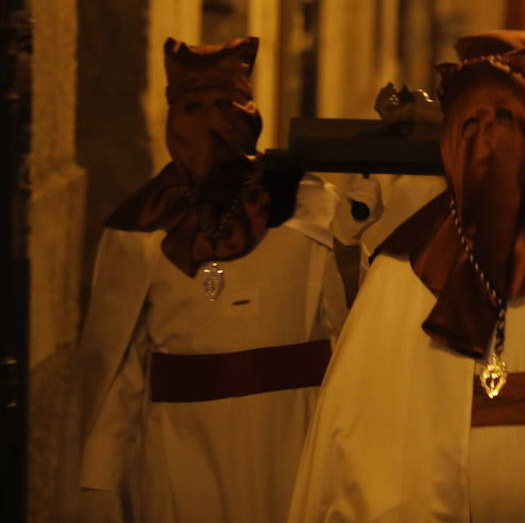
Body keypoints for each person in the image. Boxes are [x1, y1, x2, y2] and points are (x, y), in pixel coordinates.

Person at [289, 48, 525, 521]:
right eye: (471, 127)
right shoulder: (405, 267)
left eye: (506, 123)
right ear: (449, 146)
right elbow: (366, 432)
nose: (490, 142)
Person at [75, 38, 377, 523]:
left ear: (250, 113)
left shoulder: (311, 207)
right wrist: (98, 479)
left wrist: (347, 242)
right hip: (178, 448)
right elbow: (122, 366)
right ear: (172, 118)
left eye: (224, 105)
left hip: (286, 442)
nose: (209, 123)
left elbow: (355, 326)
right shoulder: (142, 228)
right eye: (192, 107)